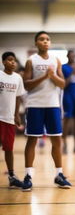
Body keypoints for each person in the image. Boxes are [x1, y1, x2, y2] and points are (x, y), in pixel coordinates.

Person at [22, 31, 71, 191]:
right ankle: (28, 175)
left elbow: (63, 84)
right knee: (32, 140)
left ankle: (59, 174)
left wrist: (52, 76)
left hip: (53, 105)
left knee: (57, 140)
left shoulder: (56, 60)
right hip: (35, 104)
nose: (45, 41)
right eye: (41, 39)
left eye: (47, 39)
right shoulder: (31, 61)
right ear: (36, 43)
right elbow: (27, 85)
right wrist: (44, 76)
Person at [0, 52, 26, 188]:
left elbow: (18, 97)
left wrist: (17, 115)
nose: (13, 63)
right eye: (10, 60)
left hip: (9, 119)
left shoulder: (18, 78)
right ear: (3, 62)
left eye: (14, 60)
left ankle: (11, 176)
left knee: (9, 149)